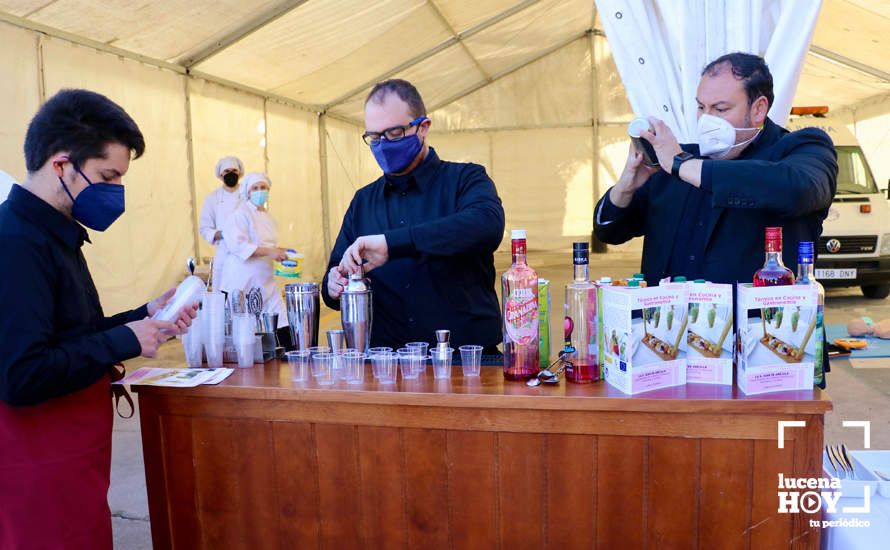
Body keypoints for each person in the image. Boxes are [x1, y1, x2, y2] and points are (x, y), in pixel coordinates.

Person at [0, 89, 196, 549]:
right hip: (39, 470)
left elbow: (73, 333)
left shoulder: (57, 233)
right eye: (108, 176)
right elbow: (20, 373)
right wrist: (123, 341)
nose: (116, 193)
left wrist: (143, 317)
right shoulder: (16, 242)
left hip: (74, 461)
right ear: (62, 165)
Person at [594, 52, 838, 286]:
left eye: (720, 109)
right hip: (670, 326)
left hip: (760, 326)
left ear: (758, 109)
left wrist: (682, 165)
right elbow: (610, 232)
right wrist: (626, 186)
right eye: (701, 107)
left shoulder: (801, 148)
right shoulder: (674, 161)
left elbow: (798, 190)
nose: (706, 119)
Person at [322, 79, 505, 352]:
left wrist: (392, 244)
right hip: (386, 364)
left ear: (423, 127)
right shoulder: (363, 201)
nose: (383, 145)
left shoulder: (465, 179)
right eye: (374, 137)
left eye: (394, 133)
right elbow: (335, 277)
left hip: (465, 361)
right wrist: (334, 284)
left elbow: (487, 225)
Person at [219, 172, 292, 346]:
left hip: (265, 278)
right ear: (248, 191)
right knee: (247, 323)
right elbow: (238, 245)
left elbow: (268, 244)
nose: (260, 191)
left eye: (263, 188)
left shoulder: (268, 216)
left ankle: (289, 354)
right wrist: (270, 251)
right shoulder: (240, 214)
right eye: (256, 188)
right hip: (243, 280)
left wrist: (280, 251)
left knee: (280, 317)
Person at [199, 155, 244, 290]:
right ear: (221, 174)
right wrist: (223, 234)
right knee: (222, 294)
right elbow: (204, 228)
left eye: (234, 171)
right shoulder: (212, 198)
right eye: (227, 171)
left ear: (239, 173)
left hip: (246, 254)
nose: (231, 174)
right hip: (223, 253)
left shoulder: (247, 194)